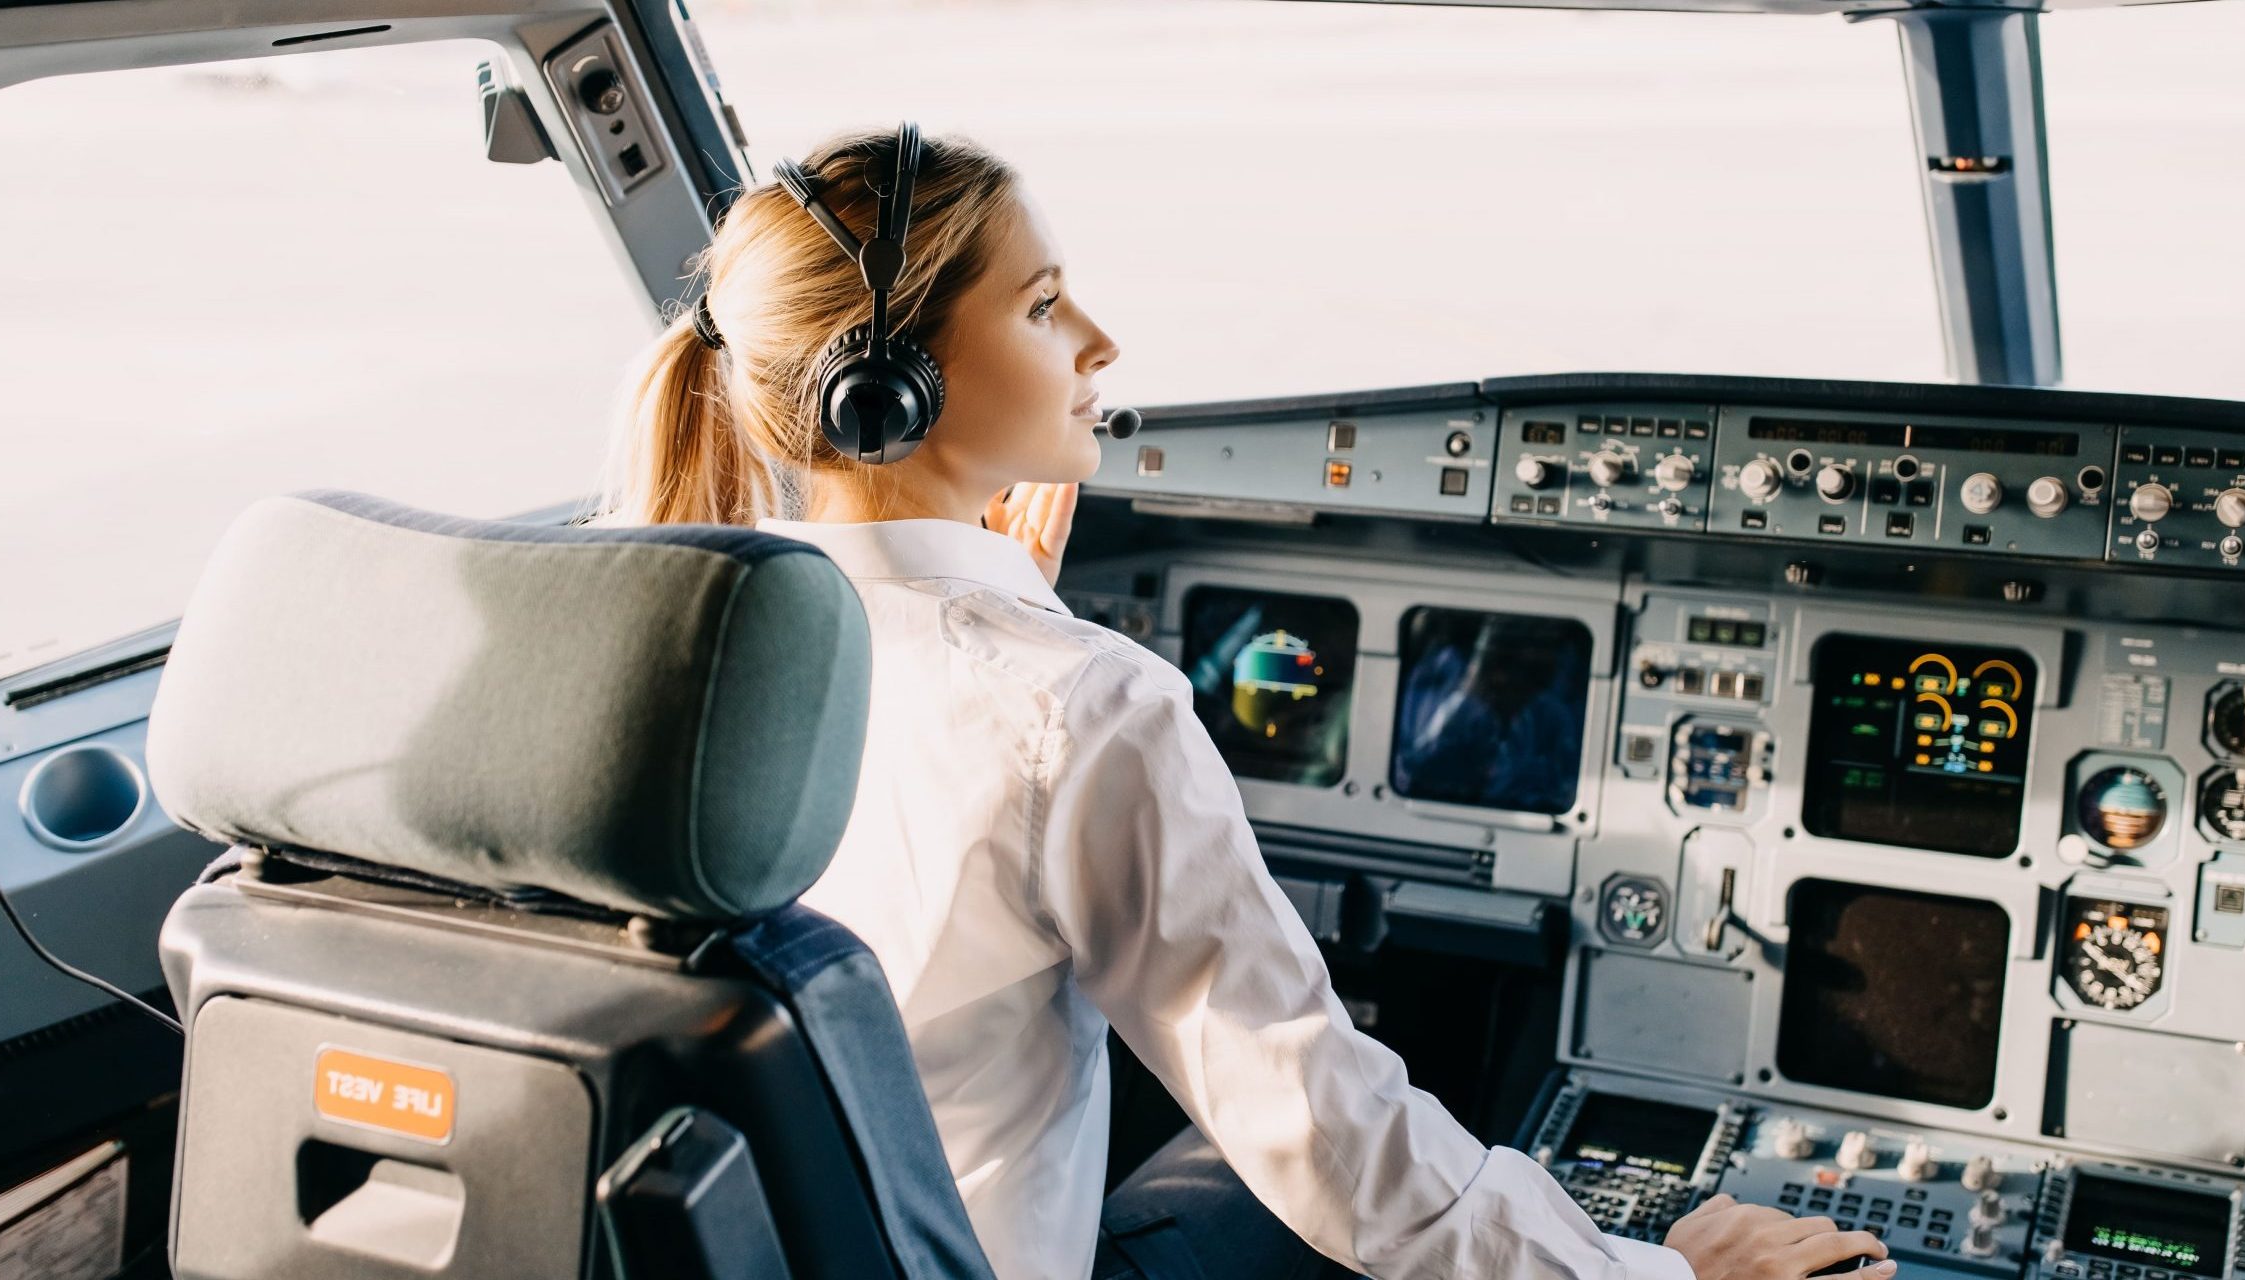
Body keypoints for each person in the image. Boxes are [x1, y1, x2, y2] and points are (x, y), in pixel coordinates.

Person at [603, 125, 1894, 1280]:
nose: (1098, 342)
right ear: (898, 383)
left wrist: (1008, 606)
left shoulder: (674, 654)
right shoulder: (1081, 707)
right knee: (1327, 1150)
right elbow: (1324, 1136)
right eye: (1044, 305)